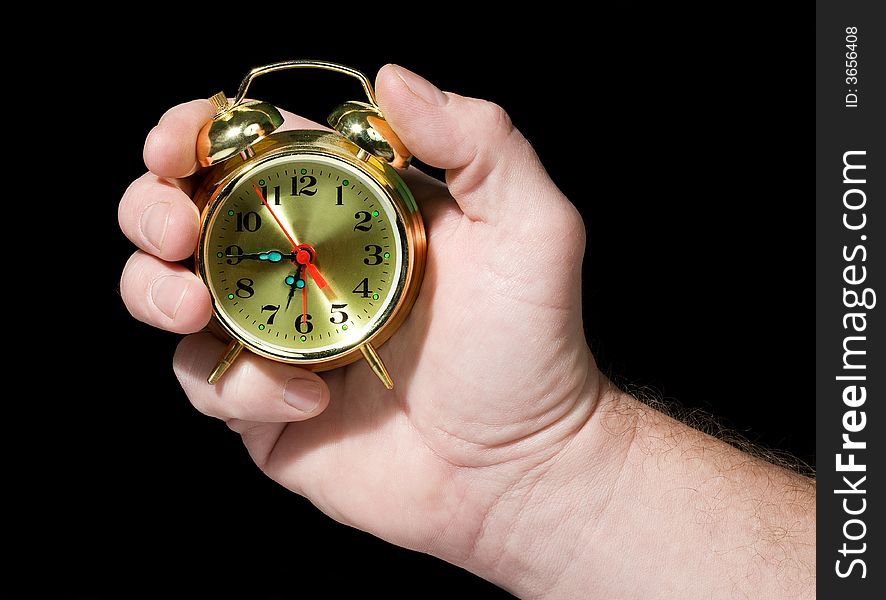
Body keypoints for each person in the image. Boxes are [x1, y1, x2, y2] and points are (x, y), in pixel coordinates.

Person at [117, 64, 815, 598]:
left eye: (320, 245)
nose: (306, 252)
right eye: (298, 250)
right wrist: (547, 476)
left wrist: (552, 459)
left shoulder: (395, 211)